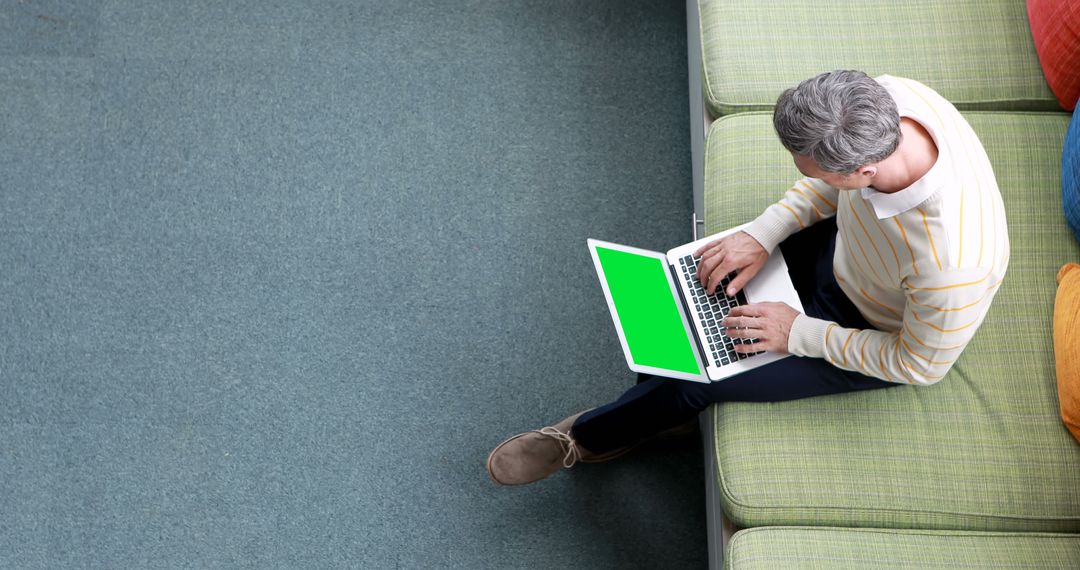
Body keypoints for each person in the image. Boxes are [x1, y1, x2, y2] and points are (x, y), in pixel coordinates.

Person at [487, 70, 1009, 486]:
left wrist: (797, 332)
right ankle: (655, 401)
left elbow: (917, 364)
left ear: (862, 173)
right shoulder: (889, 99)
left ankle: (585, 438)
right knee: (701, 281)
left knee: (694, 382)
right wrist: (764, 233)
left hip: (871, 327)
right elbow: (833, 191)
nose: (806, 178)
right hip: (849, 254)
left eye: (813, 171)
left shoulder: (951, 266)